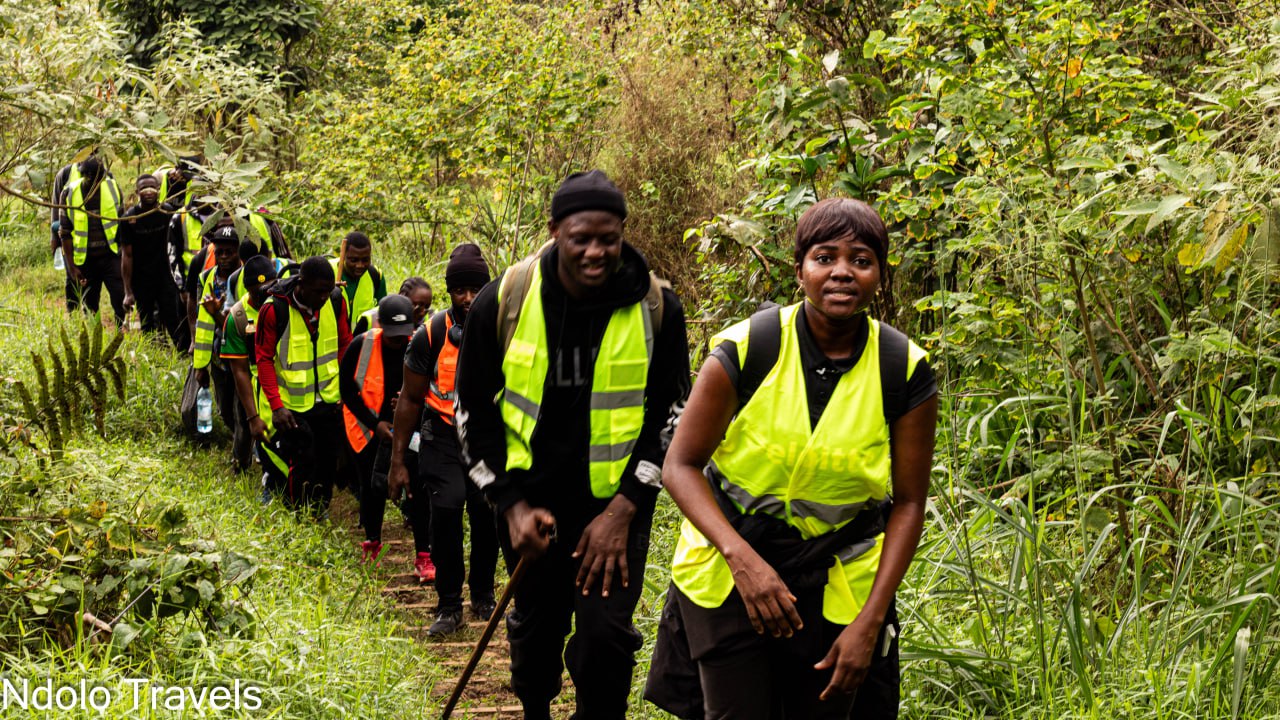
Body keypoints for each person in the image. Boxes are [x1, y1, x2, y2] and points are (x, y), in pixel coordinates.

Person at [648, 198, 938, 720]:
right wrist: (743, 561)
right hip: (727, 570)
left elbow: (910, 502)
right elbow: (680, 466)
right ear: (799, 269)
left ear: (878, 275)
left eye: (862, 260)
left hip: (838, 584)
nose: (842, 272)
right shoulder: (747, 348)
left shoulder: (903, 369)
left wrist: (870, 624)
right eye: (825, 257)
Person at [454, 170, 690, 719]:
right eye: (581, 237)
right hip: (530, 510)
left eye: (608, 238)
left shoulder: (657, 308)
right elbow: (471, 417)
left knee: (605, 643)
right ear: (555, 229)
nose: (595, 251)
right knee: (536, 642)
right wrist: (510, 507)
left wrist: (624, 509)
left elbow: (671, 419)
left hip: (615, 514)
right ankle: (536, 707)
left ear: (623, 232)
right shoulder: (506, 299)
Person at [390, 244, 498, 634]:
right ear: (448, 292)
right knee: (447, 512)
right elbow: (410, 399)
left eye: (476, 289)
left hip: (487, 438)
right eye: (459, 291)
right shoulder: (431, 334)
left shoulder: (507, 328)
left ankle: (483, 594)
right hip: (443, 435)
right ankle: (449, 605)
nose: (468, 299)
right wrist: (398, 461)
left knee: (486, 517)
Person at [255, 256, 353, 515]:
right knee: (302, 461)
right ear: (302, 284)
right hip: (293, 404)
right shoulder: (274, 308)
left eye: (327, 290)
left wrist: (345, 389)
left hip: (329, 398)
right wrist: (276, 407)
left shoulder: (335, 300)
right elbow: (263, 358)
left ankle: (319, 512)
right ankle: (296, 514)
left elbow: (345, 343)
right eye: (318, 291)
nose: (323, 296)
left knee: (327, 461)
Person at [341, 295, 416, 562]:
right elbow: (346, 392)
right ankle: (372, 540)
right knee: (372, 487)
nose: (398, 341)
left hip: (405, 426)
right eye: (392, 335)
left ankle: (423, 547)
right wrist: (376, 424)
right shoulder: (361, 345)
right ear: (380, 324)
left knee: (412, 482)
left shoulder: (416, 346)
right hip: (366, 426)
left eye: (403, 335)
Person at [219, 256, 288, 486]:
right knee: (261, 438)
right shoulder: (237, 317)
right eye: (257, 291)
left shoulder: (288, 303)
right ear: (247, 289)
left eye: (268, 287)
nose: (264, 294)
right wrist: (253, 417)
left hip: (292, 386)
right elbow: (239, 371)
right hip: (258, 390)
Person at [120, 174, 187, 347]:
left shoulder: (168, 212)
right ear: (137, 192)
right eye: (144, 188)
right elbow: (127, 256)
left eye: (152, 187)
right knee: (147, 322)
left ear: (158, 190)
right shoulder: (130, 219)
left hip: (166, 277)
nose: (148, 192)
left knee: (173, 319)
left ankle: (182, 355)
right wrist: (128, 291)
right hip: (142, 280)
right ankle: (151, 357)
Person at [58, 155, 126, 324]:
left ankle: (121, 332)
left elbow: (123, 221)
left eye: (98, 178)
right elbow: (65, 232)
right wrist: (72, 267)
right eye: (91, 178)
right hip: (86, 259)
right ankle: (95, 336)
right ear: (84, 176)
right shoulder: (69, 193)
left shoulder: (112, 187)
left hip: (111, 255)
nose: (95, 182)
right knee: (90, 303)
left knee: (119, 296)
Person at [191, 221, 244, 434]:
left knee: (243, 408)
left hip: (240, 354)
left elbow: (239, 325)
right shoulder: (205, 278)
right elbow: (199, 319)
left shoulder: (244, 279)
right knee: (225, 410)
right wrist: (199, 364)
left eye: (229, 252)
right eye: (219, 252)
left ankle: (242, 455)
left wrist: (217, 313)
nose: (223, 257)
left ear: (238, 253)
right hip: (216, 355)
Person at [331, 231, 386, 332]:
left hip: (362, 342)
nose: (360, 265)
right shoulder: (327, 272)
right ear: (343, 256)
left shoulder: (376, 276)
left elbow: (383, 313)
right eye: (353, 260)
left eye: (365, 260)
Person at [353, 276, 432, 335]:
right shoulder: (371, 318)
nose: (422, 313)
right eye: (417, 305)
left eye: (426, 307)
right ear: (402, 296)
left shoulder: (429, 322)